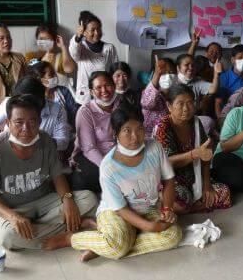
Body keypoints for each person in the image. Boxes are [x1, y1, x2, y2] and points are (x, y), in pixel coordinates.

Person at [46, 107, 181, 262]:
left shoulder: (154, 147)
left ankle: (103, 246)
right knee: (120, 243)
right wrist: (149, 227)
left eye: (139, 129)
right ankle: (72, 239)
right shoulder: (109, 165)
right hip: (116, 212)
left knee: (173, 235)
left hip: (148, 209)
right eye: (127, 131)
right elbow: (121, 209)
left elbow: (169, 180)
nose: (135, 137)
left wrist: (167, 209)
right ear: (116, 134)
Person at [0, 95, 98, 250]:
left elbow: (57, 175)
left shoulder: (45, 140)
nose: (26, 128)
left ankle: (43, 229)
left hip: (44, 201)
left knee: (89, 199)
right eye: (18, 122)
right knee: (8, 236)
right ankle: (70, 234)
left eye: (32, 122)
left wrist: (67, 199)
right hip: (12, 207)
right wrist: (13, 217)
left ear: (39, 122)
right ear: (7, 123)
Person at [154, 85, 232, 213]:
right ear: (169, 106)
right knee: (180, 200)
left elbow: (205, 156)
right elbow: (166, 163)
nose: (186, 109)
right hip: (170, 179)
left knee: (224, 193)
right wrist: (194, 154)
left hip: (194, 175)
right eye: (180, 104)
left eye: (190, 103)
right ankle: (187, 206)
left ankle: (192, 206)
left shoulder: (196, 122)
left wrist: (206, 186)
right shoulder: (163, 126)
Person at [0, 77, 71, 156]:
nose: (20, 106)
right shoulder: (11, 103)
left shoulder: (57, 110)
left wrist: (36, 143)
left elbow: (62, 142)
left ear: (41, 99)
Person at [70, 71, 122, 193]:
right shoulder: (85, 111)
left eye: (108, 85)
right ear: (92, 92)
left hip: (119, 153)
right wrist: (110, 167)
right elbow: (89, 149)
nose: (104, 90)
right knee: (103, 178)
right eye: (98, 87)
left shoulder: (121, 104)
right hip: (94, 156)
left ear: (114, 86)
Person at [69, 11, 119, 104]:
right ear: (84, 32)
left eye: (99, 29)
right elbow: (73, 51)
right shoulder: (80, 47)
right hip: (85, 97)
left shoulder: (109, 48)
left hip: (105, 95)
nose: (97, 33)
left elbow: (115, 70)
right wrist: (77, 37)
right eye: (93, 30)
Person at [27, 60, 79, 127]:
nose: (55, 76)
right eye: (51, 74)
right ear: (42, 80)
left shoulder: (63, 91)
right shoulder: (36, 99)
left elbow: (74, 112)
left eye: (55, 73)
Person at [141, 57, 177, 135]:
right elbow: (147, 103)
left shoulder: (177, 95)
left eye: (171, 72)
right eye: (163, 73)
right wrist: (157, 74)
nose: (168, 76)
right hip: (152, 139)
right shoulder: (150, 93)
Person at [215, 44, 243, 117]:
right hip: (230, 115)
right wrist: (220, 120)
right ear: (232, 60)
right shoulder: (224, 77)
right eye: (240, 58)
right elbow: (218, 102)